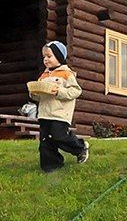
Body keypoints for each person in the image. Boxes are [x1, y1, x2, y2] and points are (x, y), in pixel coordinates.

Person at [28, 41, 89, 173]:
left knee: (59, 136)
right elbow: (40, 97)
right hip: (44, 114)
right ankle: (52, 167)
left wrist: (59, 92)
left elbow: (76, 91)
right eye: (44, 56)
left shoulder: (67, 74)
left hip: (60, 114)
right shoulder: (43, 76)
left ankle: (80, 148)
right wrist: (34, 94)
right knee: (45, 142)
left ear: (59, 57)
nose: (45, 59)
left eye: (49, 56)